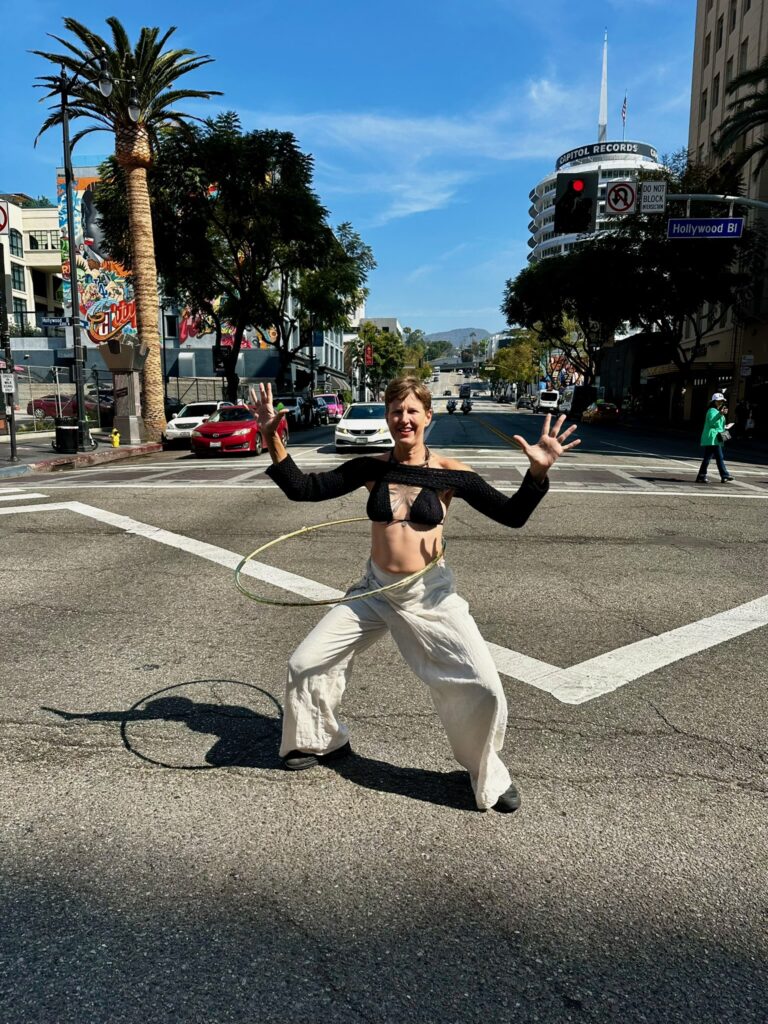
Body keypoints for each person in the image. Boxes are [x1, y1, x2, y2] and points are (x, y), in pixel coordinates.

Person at [251, 377, 580, 814]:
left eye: (411, 411)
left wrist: (537, 472)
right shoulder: (370, 468)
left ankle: (488, 774)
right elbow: (303, 488)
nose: (402, 419)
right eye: (395, 411)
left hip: (429, 594)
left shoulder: (450, 473)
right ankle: (320, 739)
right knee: (305, 662)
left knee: (484, 686)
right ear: (387, 417)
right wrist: (271, 435)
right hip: (374, 590)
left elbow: (512, 515)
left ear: (428, 416)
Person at [696, 392, 734, 484]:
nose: (720, 402)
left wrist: (726, 426)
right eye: (718, 401)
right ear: (714, 401)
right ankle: (724, 475)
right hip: (713, 437)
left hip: (716, 436)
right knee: (718, 457)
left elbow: (718, 425)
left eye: (722, 401)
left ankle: (702, 476)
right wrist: (721, 414)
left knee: (710, 457)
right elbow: (711, 422)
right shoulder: (712, 410)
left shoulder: (717, 412)